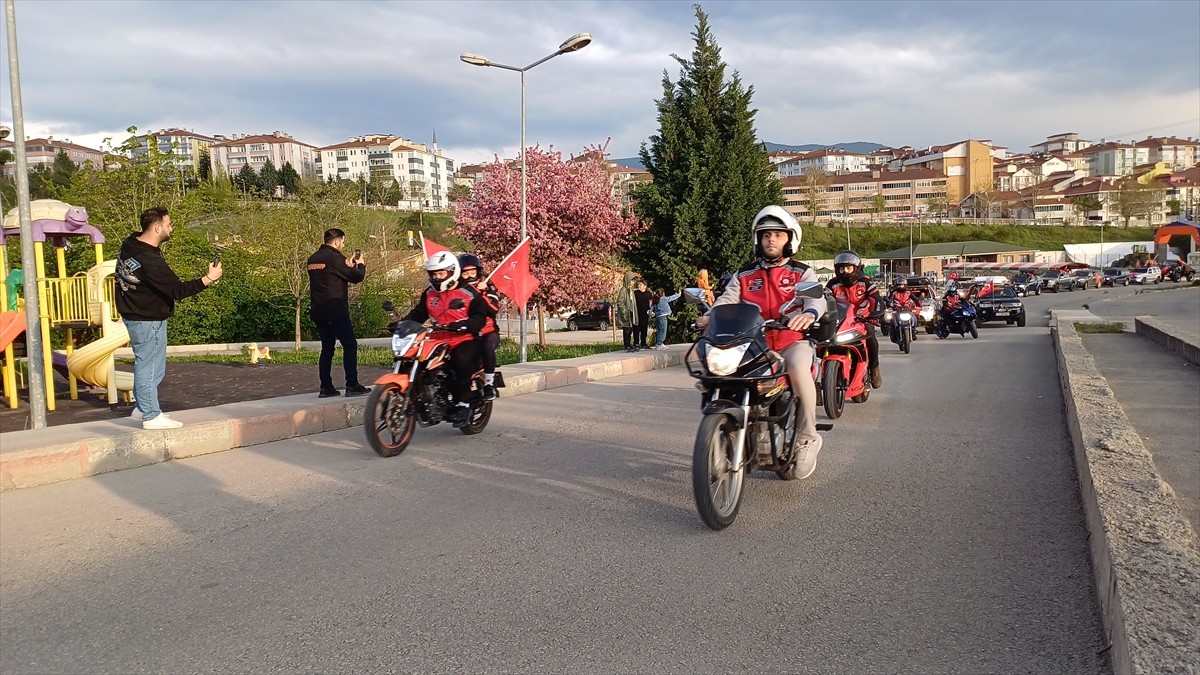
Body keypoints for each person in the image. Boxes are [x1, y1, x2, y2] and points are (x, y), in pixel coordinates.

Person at [696, 205, 825, 479]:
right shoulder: (744, 275)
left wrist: (809, 313)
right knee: (718, 371)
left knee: (799, 369)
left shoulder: (801, 273)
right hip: (754, 345)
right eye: (766, 234)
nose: (771, 239)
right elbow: (727, 300)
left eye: (778, 234)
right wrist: (710, 315)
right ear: (758, 239)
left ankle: (807, 437)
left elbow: (816, 299)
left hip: (791, 342)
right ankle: (727, 429)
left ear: (790, 239)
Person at [115, 206, 223, 430]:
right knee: (150, 366)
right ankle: (152, 416)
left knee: (147, 363)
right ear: (156, 227)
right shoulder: (150, 260)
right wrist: (208, 278)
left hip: (133, 313)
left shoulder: (131, 243)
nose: (171, 228)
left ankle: (142, 408)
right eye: (168, 224)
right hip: (147, 319)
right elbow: (178, 290)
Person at [403, 252, 490, 427]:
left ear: (452, 272)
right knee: (413, 358)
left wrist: (466, 325)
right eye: (433, 274)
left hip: (464, 338)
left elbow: (480, 316)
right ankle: (422, 396)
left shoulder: (469, 292)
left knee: (462, 360)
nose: (436, 278)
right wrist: (402, 323)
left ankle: (463, 404)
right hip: (436, 338)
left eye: (440, 274)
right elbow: (419, 312)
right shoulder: (429, 293)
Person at [307, 228, 369, 398]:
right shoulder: (335, 258)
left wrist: (345, 265)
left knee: (327, 348)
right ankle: (352, 384)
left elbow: (330, 275)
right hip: (336, 310)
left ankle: (325, 387)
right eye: (343, 241)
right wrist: (361, 264)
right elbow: (356, 277)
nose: (343, 244)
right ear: (336, 241)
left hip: (318, 310)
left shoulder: (312, 259)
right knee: (350, 345)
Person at [826, 250, 884, 389]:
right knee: (817, 343)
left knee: (871, 339)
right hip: (838, 322)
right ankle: (815, 381)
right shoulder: (832, 284)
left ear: (856, 268)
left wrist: (875, 314)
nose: (845, 271)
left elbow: (876, 300)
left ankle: (874, 368)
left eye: (848, 267)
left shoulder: (866, 283)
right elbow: (822, 300)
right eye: (841, 268)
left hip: (861, 320)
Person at [458, 253, 500, 400]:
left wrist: (482, 293)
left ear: (478, 272)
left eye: (472, 272)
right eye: (465, 272)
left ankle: (489, 384)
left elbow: (494, 309)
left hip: (487, 331)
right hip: (466, 332)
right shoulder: (457, 291)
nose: (469, 276)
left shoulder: (488, 288)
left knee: (488, 345)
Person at [615, 272, 640, 352]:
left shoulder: (631, 290)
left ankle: (630, 344)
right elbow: (620, 302)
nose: (633, 282)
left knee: (631, 328)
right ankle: (626, 345)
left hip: (632, 312)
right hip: (626, 313)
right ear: (628, 280)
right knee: (626, 329)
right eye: (632, 280)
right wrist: (624, 311)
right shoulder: (623, 290)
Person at [634, 279, 652, 349]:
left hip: (645, 314)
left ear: (645, 286)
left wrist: (650, 310)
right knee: (636, 329)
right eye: (638, 284)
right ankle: (636, 343)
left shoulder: (648, 293)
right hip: (637, 313)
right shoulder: (635, 293)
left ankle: (643, 344)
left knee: (644, 329)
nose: (639, 286)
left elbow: (650, 303)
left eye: (640, 285)